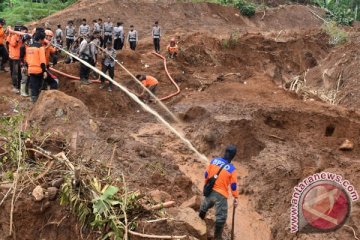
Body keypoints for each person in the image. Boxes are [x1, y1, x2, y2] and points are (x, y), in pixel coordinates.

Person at [199, 145, 239, 240]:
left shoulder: (213, 161)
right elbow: (233, 185)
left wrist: (206, 186)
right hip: (221, 195)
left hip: (210, 190)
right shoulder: (232, 169)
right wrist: (236, 197)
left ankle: (199, 223)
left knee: (204, 208)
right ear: (233, 156)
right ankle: (217, 237)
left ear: (225, 152)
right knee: (221, 218)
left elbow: (206, 174)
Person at [26, 28, 47, 102]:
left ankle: (33, 99)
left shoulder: (29, 47)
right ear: (41, 39)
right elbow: (42, 61)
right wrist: (44, 71)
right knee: (39, 85)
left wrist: (28, 68)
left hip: (30, 69)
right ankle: (39, 101)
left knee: (33, 85)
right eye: (43, 39)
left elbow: (27, 60)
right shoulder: (40, 48)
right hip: (39, 70)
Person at [9, 26, 28, 93]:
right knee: (15, 72)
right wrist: (18, 39)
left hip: (19, 57)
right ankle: (15, 86)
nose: (24, 32)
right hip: (14, 57)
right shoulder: (14, 36)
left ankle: (19, 86)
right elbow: (13, 44)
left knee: (20, 72)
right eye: (23, 31)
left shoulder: (22, 37)